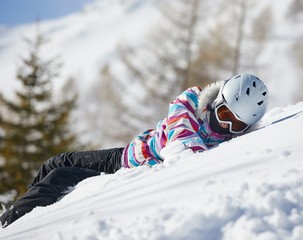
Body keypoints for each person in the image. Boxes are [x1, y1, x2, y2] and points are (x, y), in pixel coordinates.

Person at [0, 73, 269, 228]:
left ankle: (9, 225)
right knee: (55, 162)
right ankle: (16, 213)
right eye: (224, 114)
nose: (225, 126)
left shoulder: (227, 142)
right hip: (123, 155)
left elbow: (190, 162)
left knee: (59, 176)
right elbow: (180, 138)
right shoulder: (192, 101)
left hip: (126, 171)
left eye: (235, 125)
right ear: (215, 101)